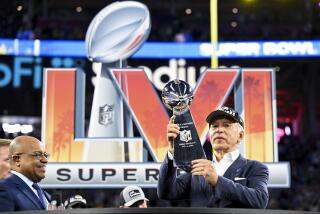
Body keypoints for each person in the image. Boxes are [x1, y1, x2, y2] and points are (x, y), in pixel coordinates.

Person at [157, 106, 269, 208]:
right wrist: (172, 153)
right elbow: (165, 192)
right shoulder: (197, 170)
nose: (219, 130)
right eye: (214, 126)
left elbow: (260, 200)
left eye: (226, 125)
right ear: (209, 135)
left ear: (240, 135)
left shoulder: (255, 168)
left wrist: (217, 181)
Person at [0, 135, 51, 211]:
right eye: (8, 160)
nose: (45, 160)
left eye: (45, 155)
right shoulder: (4, 189)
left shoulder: (43, 193)